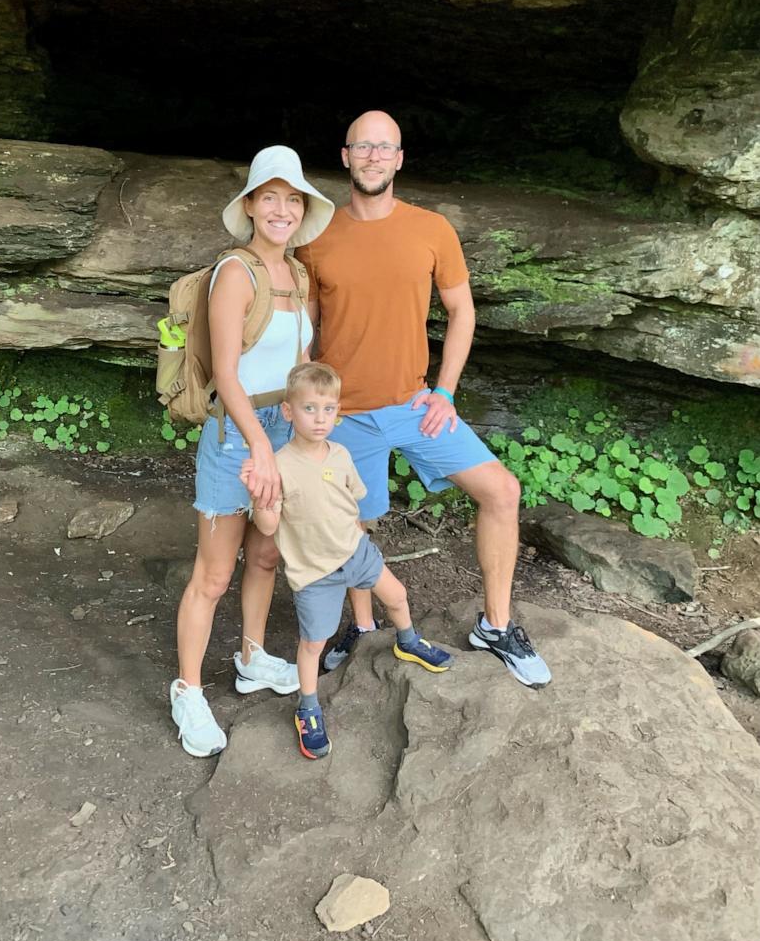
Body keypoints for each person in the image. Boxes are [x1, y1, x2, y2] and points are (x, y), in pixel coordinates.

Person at [295, 110, 551, 689]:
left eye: (385, 148)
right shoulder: (317, 236)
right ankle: (359, 628)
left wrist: (445, 391)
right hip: (345, 415)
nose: (374, 157)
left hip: (416, 405)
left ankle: (497, 624)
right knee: (352, 522)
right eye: (363, 147)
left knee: (502, 491)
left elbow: (462, 312)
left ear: (400, 159)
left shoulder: (432, 228)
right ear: (345, 156)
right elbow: (306, 332)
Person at [170, 146, 336, 758]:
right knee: (213, 574)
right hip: (238, 432)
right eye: (271, 197)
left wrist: (304, 435)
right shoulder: (233, 274)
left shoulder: (300, 276)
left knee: (265, 555)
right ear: (249, 206)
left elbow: (302, 365)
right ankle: (187, 689)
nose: (282, 209)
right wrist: (262, 447)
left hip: (283, 425)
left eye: (293, 200)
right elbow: (227, 374)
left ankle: (252, 657)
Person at [242, 362, 451, 759]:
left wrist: (358, 543)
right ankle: (308, 707)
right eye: (309, 409)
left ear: (338, 413)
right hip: (314, 574)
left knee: (397, 596)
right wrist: (259, 496)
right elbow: (267, 528)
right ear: (288, 411)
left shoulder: (339, 453)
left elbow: (352, 501)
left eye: (328, 409)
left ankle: (407, 641)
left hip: (355, 553)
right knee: (313, 643)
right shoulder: (280, 465)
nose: (319, 419)